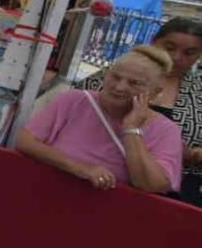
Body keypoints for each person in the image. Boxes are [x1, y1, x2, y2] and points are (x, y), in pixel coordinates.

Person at [18, 43, 182, 194]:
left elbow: (152, 185)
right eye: (115, 77)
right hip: (47, 195)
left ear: (155, 92)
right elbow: (25, 142)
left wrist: (131, 129)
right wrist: (82, 169)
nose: (119, 87)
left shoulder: (166, 131)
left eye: (134, 83)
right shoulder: (74, 100)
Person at [78, 18, 202, 204]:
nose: (177, 57)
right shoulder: (118, 77)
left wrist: (194, 154)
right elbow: (75, 114)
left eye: (189, 53)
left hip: (174, 192)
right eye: (169, 47)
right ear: (153, 42)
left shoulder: (198, 91)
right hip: (102, 176)